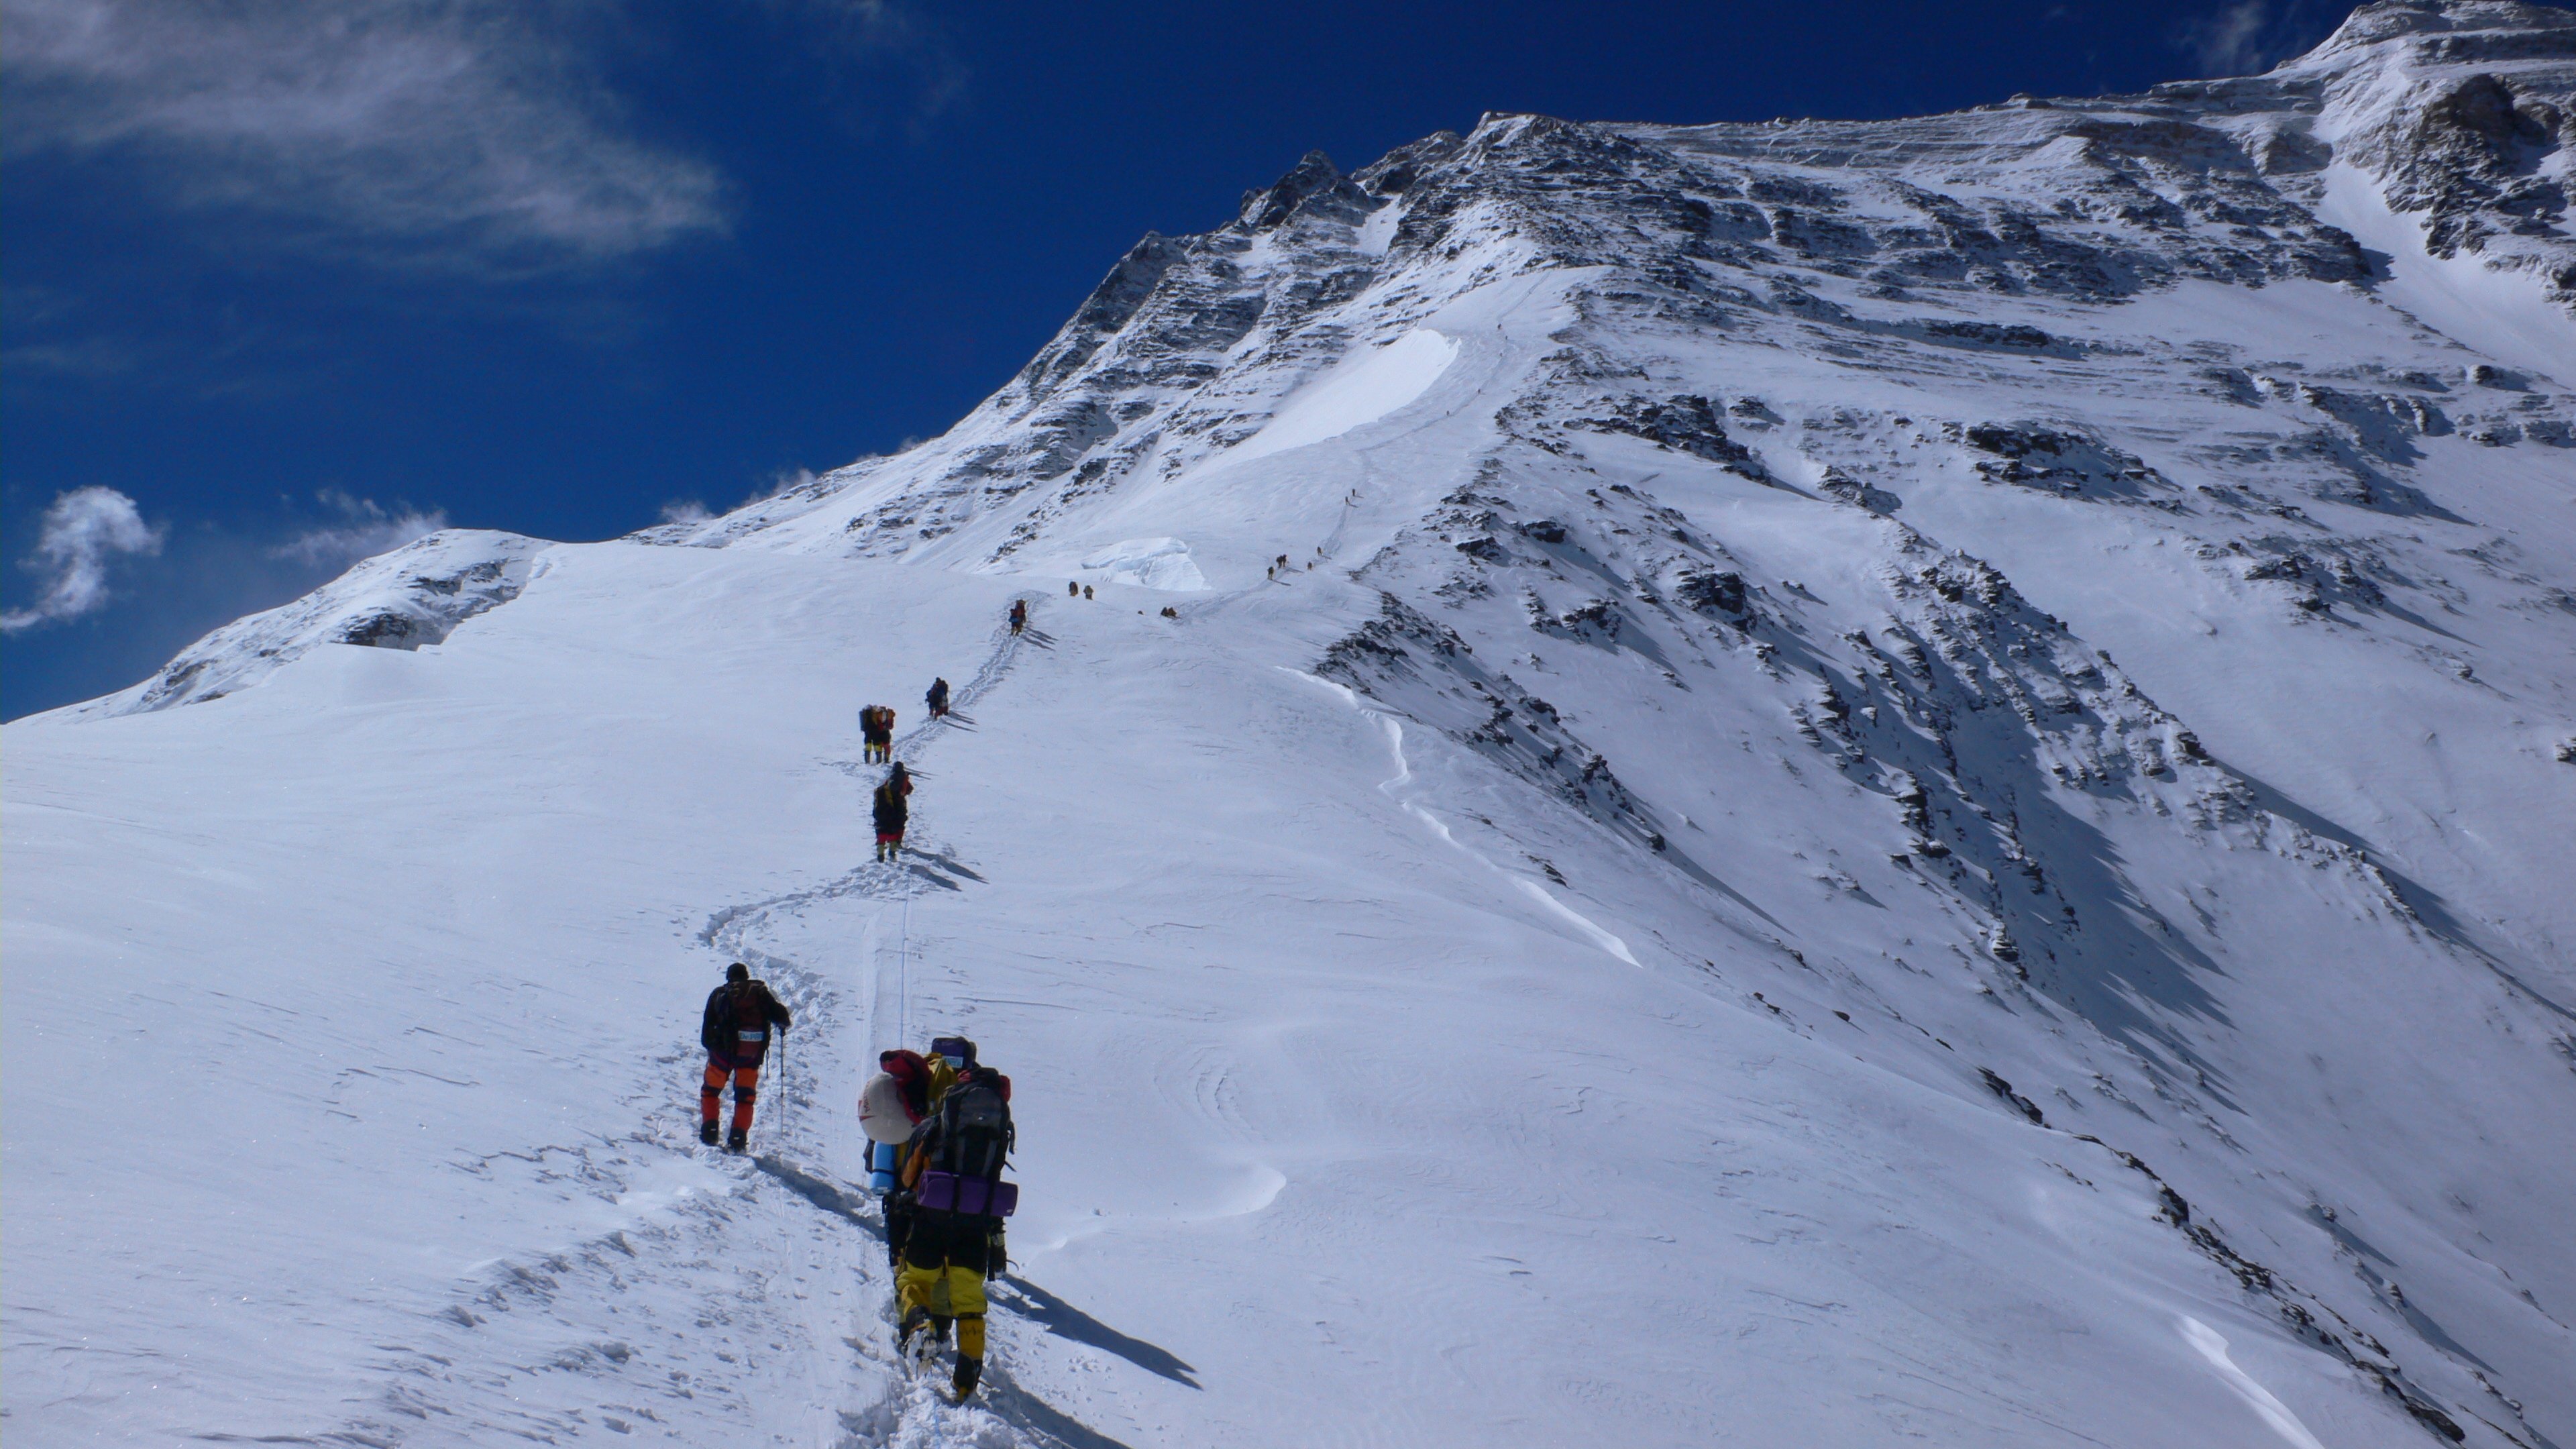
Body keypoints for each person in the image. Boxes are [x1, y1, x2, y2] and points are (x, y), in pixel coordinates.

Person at [895, 1042, 1014, 1401]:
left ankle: (920, 1323)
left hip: (932, 1218)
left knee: (914, 1279)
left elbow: (908, 1178)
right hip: (975, 1225)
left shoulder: (936, 1126)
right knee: (969, 1298)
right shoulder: (999, 1133)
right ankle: (966, 1381)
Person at [698, 963, 792, 1152]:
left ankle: (710, 1132)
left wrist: (716, 1047)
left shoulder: (719, 994)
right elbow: (783, 1018)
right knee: (745, 1098)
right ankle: (738, 1139)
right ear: (746, 977)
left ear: (729, 978)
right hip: (750, 1056)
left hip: (721, 1056)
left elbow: (706, 1036)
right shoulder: (759, 994)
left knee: (711, 1092)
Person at [873, 761, 912, 863]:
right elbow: (910, 789)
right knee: (900, 823)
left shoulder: (890, 778)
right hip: (900, 805)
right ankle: (896, 844)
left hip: (889, 806)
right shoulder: (904, 778)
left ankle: (882, 852)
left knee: (886, 828)